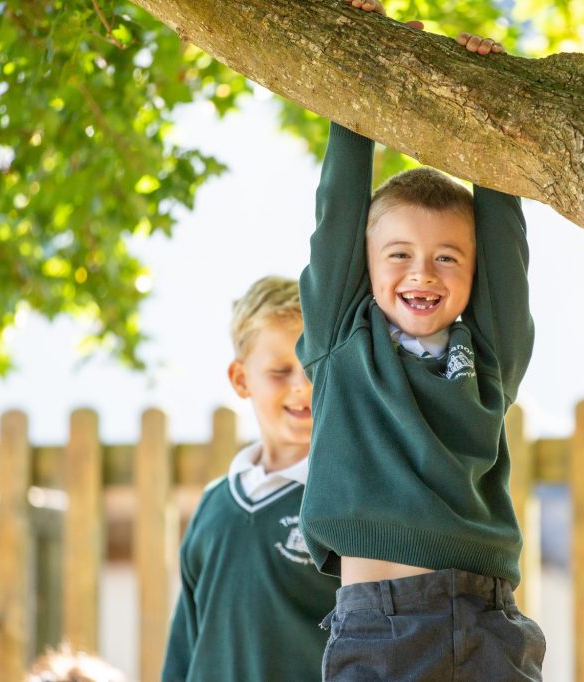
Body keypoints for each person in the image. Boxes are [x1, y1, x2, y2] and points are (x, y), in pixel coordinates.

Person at [297, 2, 545, 678]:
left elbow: (504, 246)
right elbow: (339, 213)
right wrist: (363, 62)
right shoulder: (342, 343)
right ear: (369, 265)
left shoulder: (488, 359)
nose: (422, 273)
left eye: (446, 258)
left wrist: (489, 100)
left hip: (491, 624)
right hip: (383, 630)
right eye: (399, 254)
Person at [162, 276, 339, 682]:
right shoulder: (212, 507)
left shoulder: (348, 501)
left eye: (313, 367)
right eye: (280, 371)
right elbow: (183, 650)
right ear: (241, 379)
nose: (301, 386)